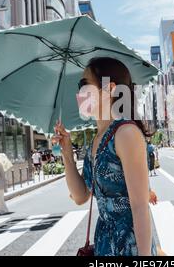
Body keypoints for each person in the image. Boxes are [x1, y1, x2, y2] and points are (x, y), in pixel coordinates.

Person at [54, 57, 159, 256]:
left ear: (109, 88)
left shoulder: (125, 133)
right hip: (103, 244)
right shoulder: (96, 139)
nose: (79, 93)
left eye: (85, 84)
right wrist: (67, 155)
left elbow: (139, 207)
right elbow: (81, 196)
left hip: (130, 247)